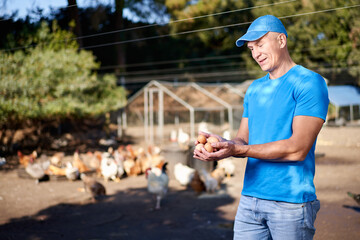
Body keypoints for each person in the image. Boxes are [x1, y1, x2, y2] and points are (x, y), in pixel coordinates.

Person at [193, 15, 329, 240]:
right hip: (250, 200)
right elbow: (242, 141)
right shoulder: (254, 89)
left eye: (260, 44)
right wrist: (223, 145)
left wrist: (238, 150)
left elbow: (297, 149)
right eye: (251, 48)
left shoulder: (309, 83)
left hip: (291, 203)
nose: (255, 53)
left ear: (282, 41)